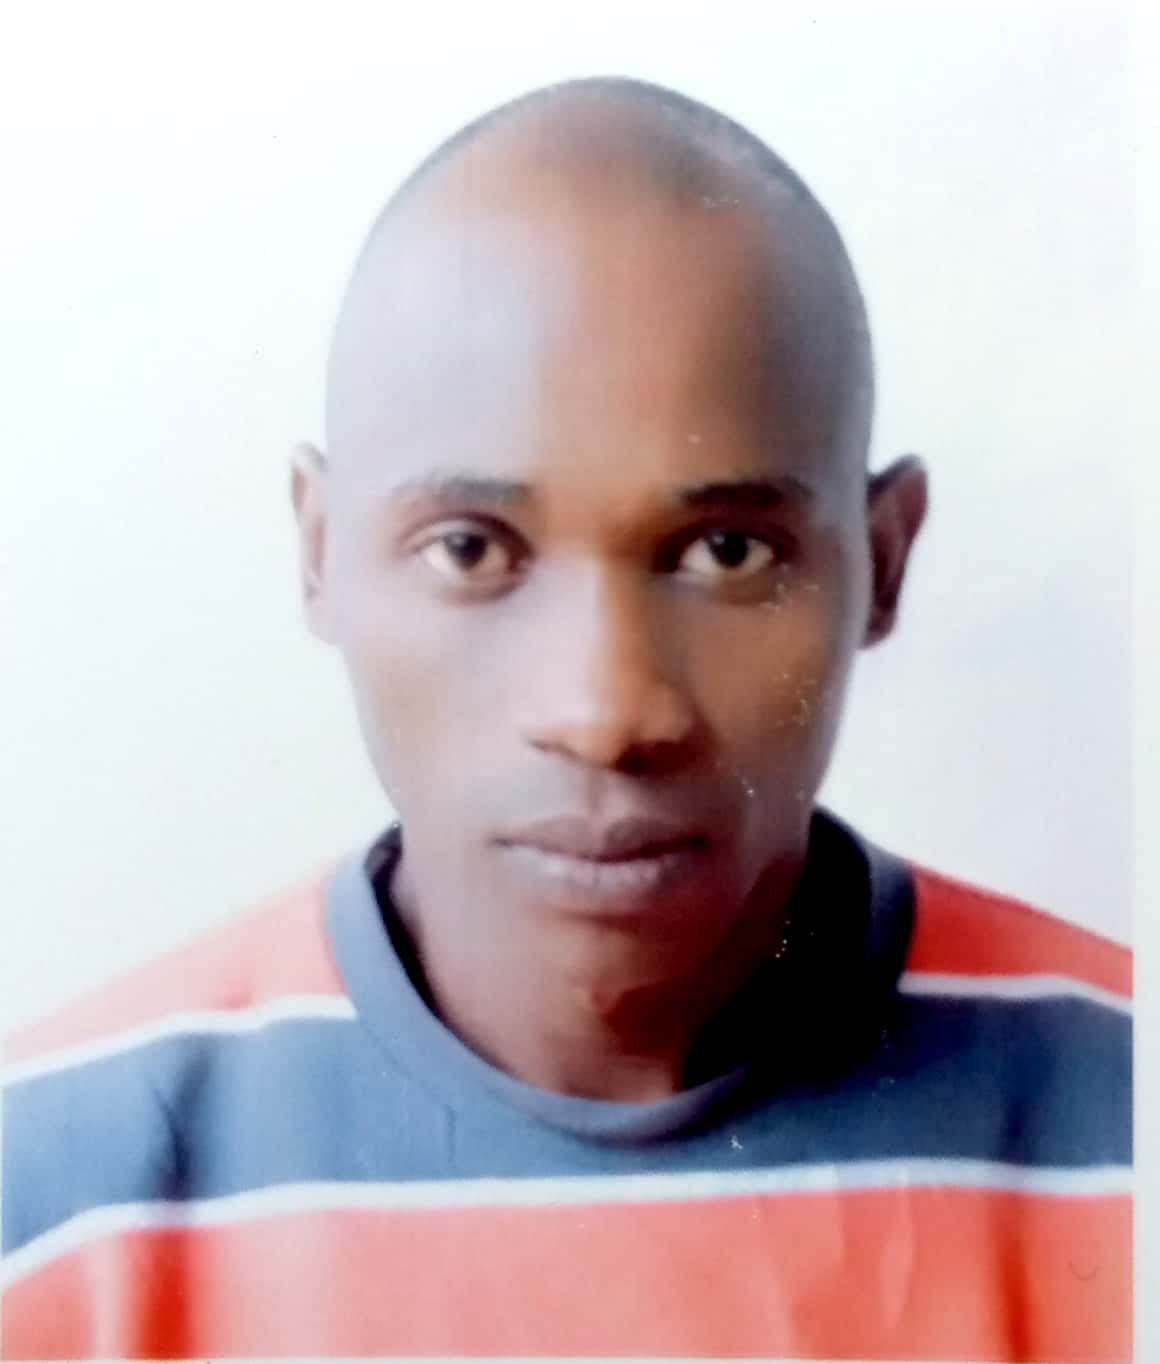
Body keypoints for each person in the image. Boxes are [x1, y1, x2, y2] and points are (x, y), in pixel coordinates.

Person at [1, 77, 1131, 1361]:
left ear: (882, 559)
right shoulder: (49, 1200)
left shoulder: (1122, 1117)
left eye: (725, 551)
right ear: (318, 552)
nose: (604, 710)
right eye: (470, 547)